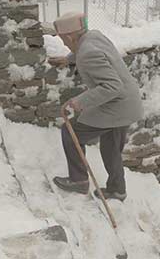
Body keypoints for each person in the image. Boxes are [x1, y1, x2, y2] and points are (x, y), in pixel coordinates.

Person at [52, 12, 144, 201]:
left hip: (116, 105)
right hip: (129, 102)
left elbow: (112, 86)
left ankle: (78, 181)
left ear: (69, 36)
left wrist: (79, 101)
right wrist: (69, 59)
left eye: (63, 39)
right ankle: (117, 190)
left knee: (71, 132)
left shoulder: (87, 53)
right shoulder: (94, 36)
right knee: (111, 148)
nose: (63, 43)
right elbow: (90, 51)